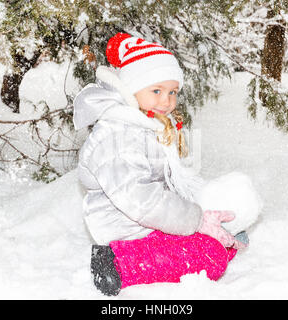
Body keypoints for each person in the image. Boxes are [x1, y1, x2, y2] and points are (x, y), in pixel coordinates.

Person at [73, 33, 260, 296]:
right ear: (129, 90)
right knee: (210, 258)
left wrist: (202, 216)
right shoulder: (117, 135)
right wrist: (196, 221)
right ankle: (117, 265)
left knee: (208, 243)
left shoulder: (143, 126)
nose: (167, 101)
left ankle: (213, 242)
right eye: (157, 91)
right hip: (125, 228)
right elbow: (141, 201)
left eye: (172, 92)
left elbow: (167, 187)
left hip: (147, 222)